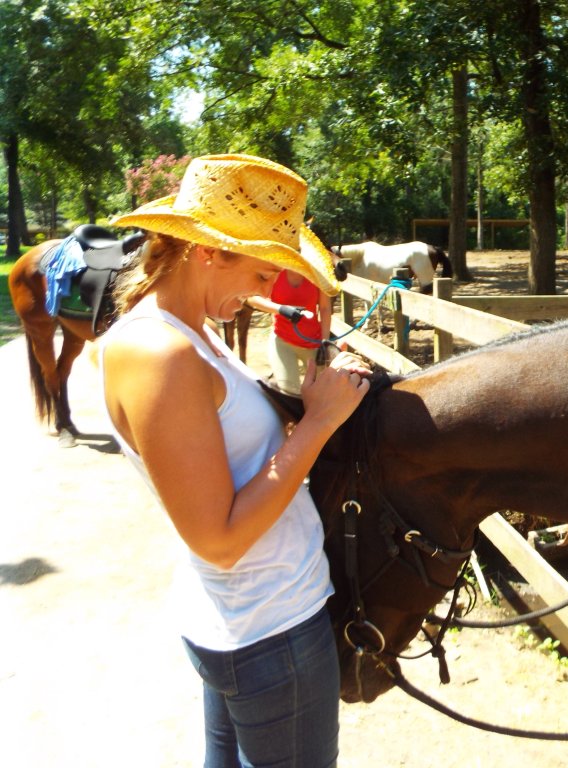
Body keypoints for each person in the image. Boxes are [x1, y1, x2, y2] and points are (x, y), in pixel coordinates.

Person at [99, 154, 370, 768]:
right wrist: (322, 422)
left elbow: (234, 450)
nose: (273, 289)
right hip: (269, 629)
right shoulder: (163, 353)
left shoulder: (191, 332)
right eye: (263, 269)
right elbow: (218, 539)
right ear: (209, 252)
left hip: (249, 620)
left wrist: (309, 400)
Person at [245, 270, 334, 395]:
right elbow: (252, 297)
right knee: (289, 391)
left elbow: (325, 309)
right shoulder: (275, 271)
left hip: (313, 343)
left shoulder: (317, 274)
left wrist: (325, 342)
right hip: (282, 340)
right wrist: (281, 309)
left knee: (319, 392)